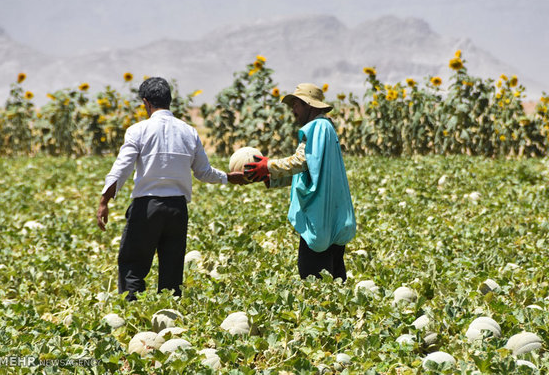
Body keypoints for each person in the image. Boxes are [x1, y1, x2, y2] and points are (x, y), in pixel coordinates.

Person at [96, 77, 247, 301]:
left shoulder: (138, 130)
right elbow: (203, 172)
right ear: (170, 101)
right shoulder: (189, 132)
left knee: (132, 268)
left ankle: (132, 319)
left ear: (146, 102)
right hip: (177, 210)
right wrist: (228, 178)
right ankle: (170, 322)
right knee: (172, 274)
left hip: (146, 208)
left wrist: (104, 201)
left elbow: (121, 169)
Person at [245, 83, 356, 281]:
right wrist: (270, 179)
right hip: (332, 222)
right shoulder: (326, 128)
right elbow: (307, 171)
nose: (293, 110)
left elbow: (300, 161)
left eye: (296, 105)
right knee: (335, 280)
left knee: (313, 279)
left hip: (318, 221)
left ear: (309, 105)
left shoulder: (317, 127)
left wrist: (268, 166)